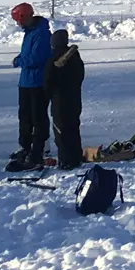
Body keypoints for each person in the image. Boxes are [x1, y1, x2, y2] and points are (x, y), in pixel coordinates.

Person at [9, 2, 53, 170]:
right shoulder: (29, 33)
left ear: (24, 17)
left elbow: (36, 58)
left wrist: (19, 61)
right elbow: (26, 53)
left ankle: (38, 149)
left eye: (18, 20)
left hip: (38, 82)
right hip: (26, 82)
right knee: (25, 116)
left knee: (38, 117)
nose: (17, 24)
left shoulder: (41, 34)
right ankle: (25, 146)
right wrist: (20, 57)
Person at [46, 29, 85, 171]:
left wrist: (49, 94)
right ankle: (75, 157)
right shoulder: (76, 57)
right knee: (73, 127)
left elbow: (47, 81)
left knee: (61, 131)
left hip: (60, 101)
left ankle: (66, 159)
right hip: (74, 98)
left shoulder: (53, 59)